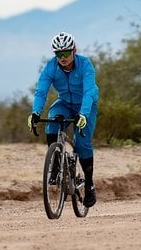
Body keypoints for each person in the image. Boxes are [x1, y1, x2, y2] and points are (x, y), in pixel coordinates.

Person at [27, 31, 100, 207]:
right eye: (58, 54)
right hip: (65, 103)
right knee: (52, 124)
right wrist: (35, 112)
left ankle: (89, 185)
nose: (62, 57)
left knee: (82, 144)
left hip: (86, 104)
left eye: (66, 53)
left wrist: (83, 114)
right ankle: (56, 164)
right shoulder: (51, 67)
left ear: (74, 50)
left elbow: (89, 91)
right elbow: (41, 91)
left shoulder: (85, 65)